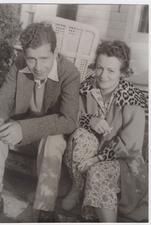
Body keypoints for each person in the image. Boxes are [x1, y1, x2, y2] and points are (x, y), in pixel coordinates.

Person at [0, 22, 80, 222]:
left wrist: (23, 128)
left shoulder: (69, 73)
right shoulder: (19, 64)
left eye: (44, 58)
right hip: (25, 134)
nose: (38, 67)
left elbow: (70, 120)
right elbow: (0, 101)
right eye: (32, 59)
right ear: (25, 55)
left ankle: (43, 210)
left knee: (53, 140)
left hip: (52, 136)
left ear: (55, 53)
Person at [62, 40, 148, 222]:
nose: (103, 76)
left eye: (111, 70)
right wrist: (89, 120)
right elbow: (70, 115)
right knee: (80, 136)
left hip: (123, 161)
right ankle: (78, 187)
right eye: (100, 68)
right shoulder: (87, 87)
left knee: (98, 172)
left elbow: (130, 145)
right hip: (90, 153)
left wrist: (98, 159)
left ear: (123, 73)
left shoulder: (132, 98)